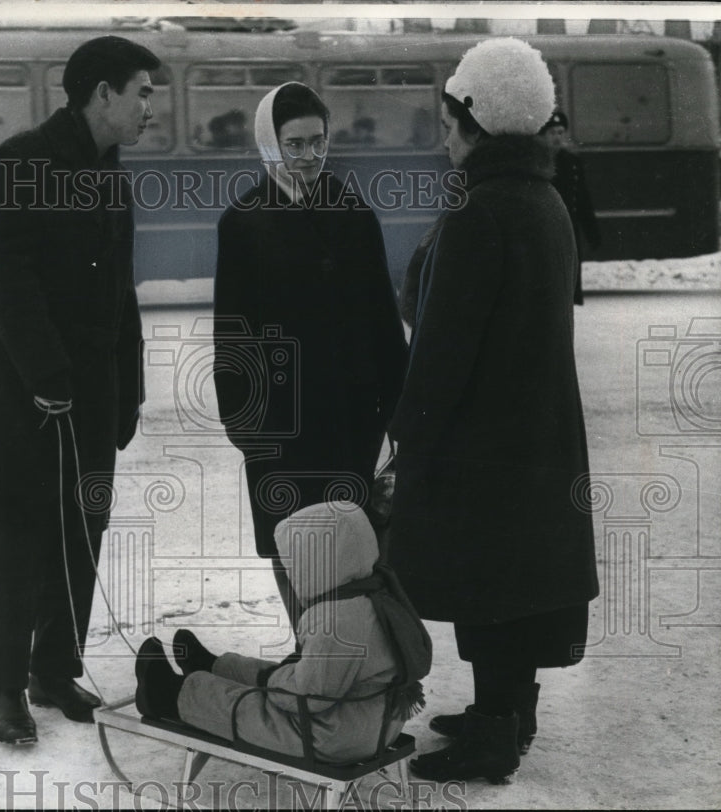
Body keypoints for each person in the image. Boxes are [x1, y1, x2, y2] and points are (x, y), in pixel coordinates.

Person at [387, 38, 598, 783]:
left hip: (485, 440)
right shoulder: (543, 200)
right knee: (519, 582)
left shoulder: (481, 210)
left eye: (449, 123)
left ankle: (494, 737)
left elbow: (441, 348)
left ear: (476, 120)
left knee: (491, 583)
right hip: (538, 432)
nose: (443, 139)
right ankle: (508, 712)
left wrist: (406, 435)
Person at [0, 35, 160, 745]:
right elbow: (5, 280)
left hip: (92, 399)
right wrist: (48, 377)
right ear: (103, 94)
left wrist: (127, 388)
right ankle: (6, 690)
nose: (149, 108)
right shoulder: (21, 163)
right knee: (21, 541)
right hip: (24, 403)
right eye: (143, 93)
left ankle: (53, 670)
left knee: (81, 534)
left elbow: (121, 297)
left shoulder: (112, 177)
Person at [212, 82, 408, 633]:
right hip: (282, 427)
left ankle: (356, 673)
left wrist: (396, 409)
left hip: (351, 423)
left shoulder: (352, 209)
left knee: (355, 553)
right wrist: (247, 426)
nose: (309, 155)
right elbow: (233, 336)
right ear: (269, 143)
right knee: (294, 547)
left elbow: (381, 321)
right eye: (294, 143)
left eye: (318, 141)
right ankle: (311, 660)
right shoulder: (244, 221)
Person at [134, 502, 410, 763]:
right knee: (279, 676)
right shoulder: (377, 596)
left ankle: (166, 694)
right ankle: (213, 666)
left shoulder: (336, 621)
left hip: (332, 737)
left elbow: (305, 697)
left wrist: (272, 681)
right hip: (379, 722)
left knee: (250, 707)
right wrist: (274, 676)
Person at [541, 110, 602, 305]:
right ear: (542, 135)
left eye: (560, 132)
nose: (557, 138)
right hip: (545, 233)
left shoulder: (572, 162)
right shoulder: (537, 162)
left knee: (567, 290)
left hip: (569, 233)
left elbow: (582, 201)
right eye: (552, 133)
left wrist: (592, 234)